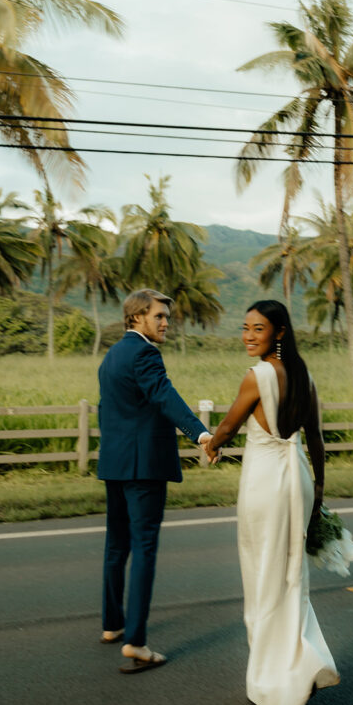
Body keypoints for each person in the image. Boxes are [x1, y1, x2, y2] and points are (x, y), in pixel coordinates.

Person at [205, 299, 339, 705]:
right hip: (296, 478)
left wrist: (210, 446)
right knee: (290, 575)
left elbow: (227, 426)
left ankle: (273, 681)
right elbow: (315, 438)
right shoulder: (304, 375)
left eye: (257, 329)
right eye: (245, 327)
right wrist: (318, 490)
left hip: (264, 483)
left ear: (279, 332)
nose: (247, 335)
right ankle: (304, 661)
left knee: (262, 577)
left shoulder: (258, 375)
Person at [97, 288, 213, 674]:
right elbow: (164, 396)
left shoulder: (112, 355)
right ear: (136, 318)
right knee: (144, 549)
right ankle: (137, 642)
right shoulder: (146, 353)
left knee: (117, 546)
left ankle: (113, 624)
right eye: (159, 316)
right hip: (145, 466)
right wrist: (200, 432)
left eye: (166, 317)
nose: (166, 323)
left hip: (115, 464)